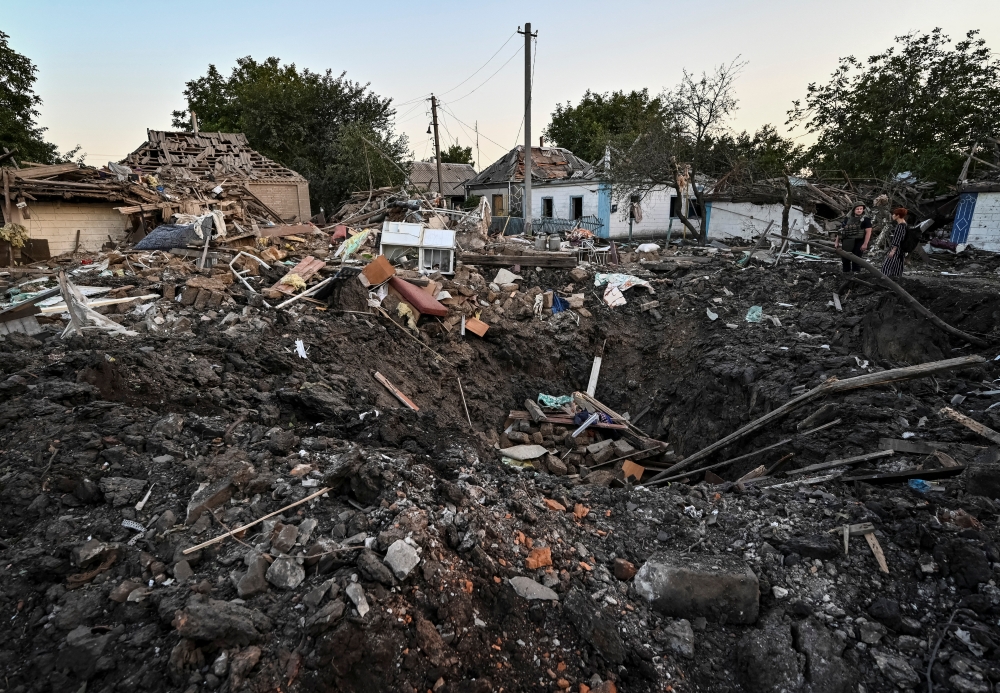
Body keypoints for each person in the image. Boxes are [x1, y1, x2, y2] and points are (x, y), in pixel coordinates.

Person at [835, 203, 873, 272]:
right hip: (847, 241)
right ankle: (846, 275)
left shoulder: (866, 219)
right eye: (857, 209)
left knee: (856, 260)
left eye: (861, 209)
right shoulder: (848, 219)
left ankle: (856, 276)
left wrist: (865, 244)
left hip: (858, 242)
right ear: (854, 210)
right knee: (845, 259)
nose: (859, 210)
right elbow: (841, 230)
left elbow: (868, 232)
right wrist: (836, 241)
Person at [880, 207, 909, 277]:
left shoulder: (900, 226)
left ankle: (884, 278)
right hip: (901, 249)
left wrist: (893, 250)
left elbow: (898, 239)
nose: (892, 215)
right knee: (898, 264)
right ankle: (896, 277)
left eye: (894, 214)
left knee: (887, 264)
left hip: (896, 248)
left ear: (898, 215)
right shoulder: (905, 225)